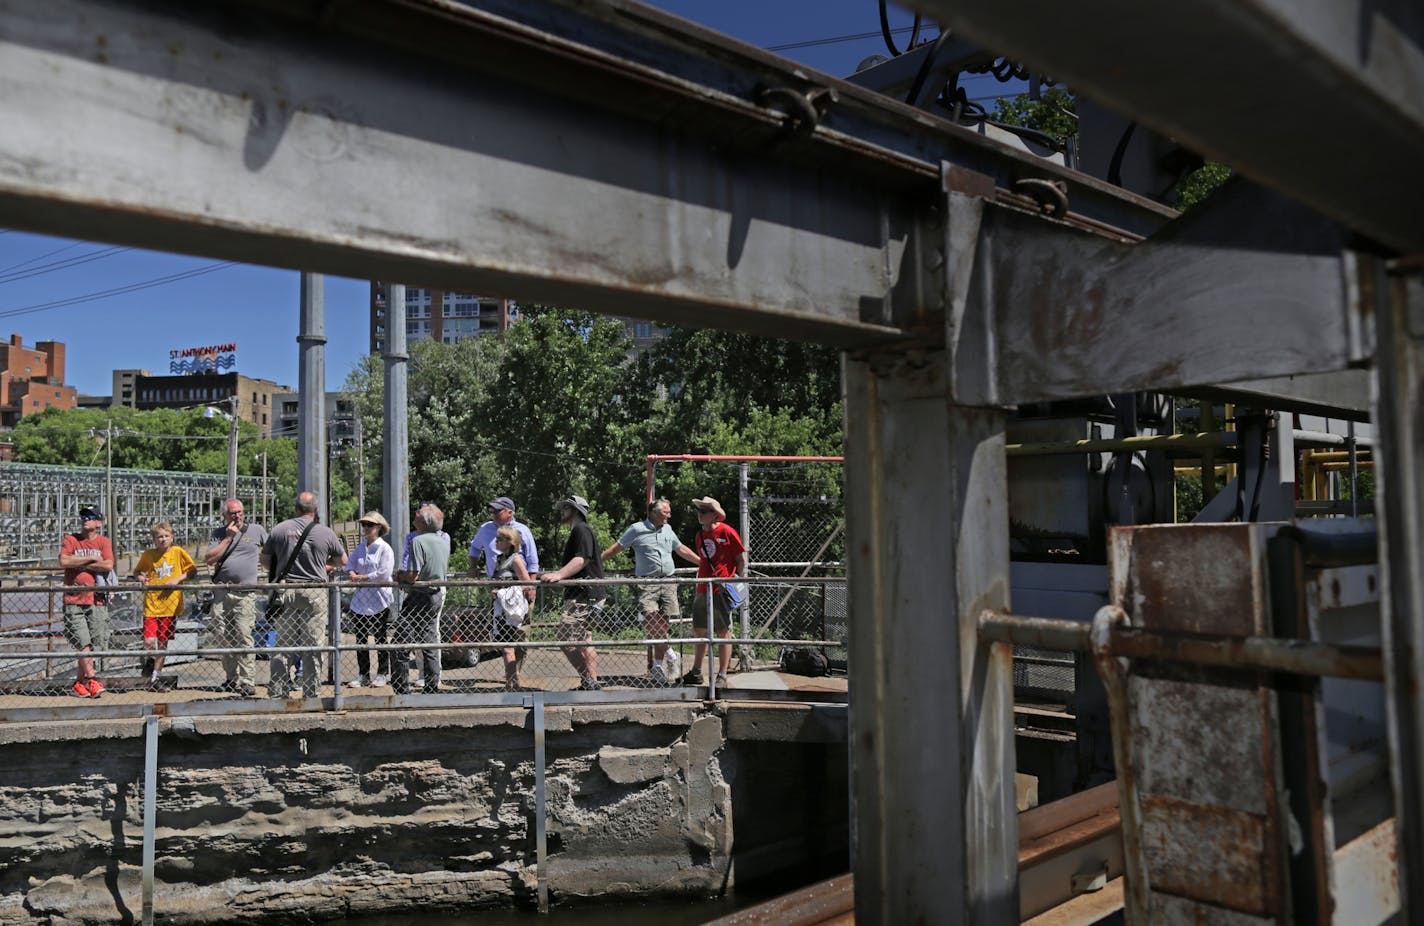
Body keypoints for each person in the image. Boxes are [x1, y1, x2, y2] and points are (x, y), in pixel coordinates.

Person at [601, 497, 699, 686]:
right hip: (648, 583)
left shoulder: (668, 529)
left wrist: (702, 562)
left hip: (669, 581)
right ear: (654, 513)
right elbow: (616, 548)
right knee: (651, 620)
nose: (669, 516)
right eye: (666, 512)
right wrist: (595, 563)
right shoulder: (637, 529)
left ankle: (657, 666)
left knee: (662, 625)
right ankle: (672, 654)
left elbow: (681, 549)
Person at [260, 492, 347, 699]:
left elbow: (264, 561)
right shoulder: (325, 532)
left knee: (283, 644)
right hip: (313, 590)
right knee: (313, 645)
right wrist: (323, 565)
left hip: (285, 590)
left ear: (296, 508)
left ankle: (278, 691)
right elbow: (342, 560)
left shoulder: (280, 529)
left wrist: (280, 567)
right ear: (315, 510)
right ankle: (311, 692)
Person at [539, 495, 605, 690]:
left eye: (566, 507)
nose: (562, 511)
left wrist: (559, 574)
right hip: (589, 594)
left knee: (565, 639)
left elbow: (582, 559)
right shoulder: (579, 531)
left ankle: (589, 680)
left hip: (585, 595)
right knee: (585, 640)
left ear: (576, 510)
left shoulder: (581, 530)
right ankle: (590, 684)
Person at [203, 498, 268, 697]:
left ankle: (247, 681)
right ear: (225, 516)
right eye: (232, 513)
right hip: (222, 592)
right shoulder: (219, 534)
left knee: (243, 636)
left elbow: (272, 550)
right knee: (223, 635)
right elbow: (209, 558)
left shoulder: (256, 530)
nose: (237, 516)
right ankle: (231, 678)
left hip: (245, 593)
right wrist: (228, 538)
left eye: (240, 512)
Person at [683, 496, 747, 689]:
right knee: (700, 630)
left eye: (704, 511)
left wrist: (735, 581)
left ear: (714, 515)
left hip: (721, 588)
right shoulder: (699, 535)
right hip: (703, 586)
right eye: (699, 511)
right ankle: (696, 671)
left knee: (722, 631)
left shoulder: (727, 532)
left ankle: (721, 674)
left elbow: (740, 559)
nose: (700, 514)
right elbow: (703, 560)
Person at [392, 504, 450, 694]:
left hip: (419, 596)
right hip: (436, 595)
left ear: (424, 521)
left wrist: (399, 576)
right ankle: (432, 686)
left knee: (400, 642)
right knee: (430, 641)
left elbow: (413, 575)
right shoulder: (442, 541)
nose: (414, 516)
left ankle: (401, 688)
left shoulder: (418, 541)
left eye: (417, 514)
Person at [59, 506, 115, 698]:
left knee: (90, 643)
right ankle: (92, 678)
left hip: (96, 599)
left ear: (98, 522)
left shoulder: (103, 541)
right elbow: (64, 562)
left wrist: (78, 560)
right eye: (83, 516)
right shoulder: (71, 539)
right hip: (74, 598)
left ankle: (78, 683)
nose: (85, 519)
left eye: (90, 517)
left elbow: (108, 564)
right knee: (82, 640)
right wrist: (91, 557)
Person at [134, 522, 197, 692]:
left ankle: (156, 676)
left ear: (171, 537)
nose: (163, 539)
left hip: (170, 606)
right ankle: (147, 662)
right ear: (154, 539)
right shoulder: (149, 555)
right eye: (159, 537)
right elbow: (137, 572)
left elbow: (192, 571)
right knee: (148, 641)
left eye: (166, 536)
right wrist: (141, 579)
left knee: (162, 643)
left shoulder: (178, 552)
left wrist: (177, 579)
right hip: (152, 604)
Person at [345, 511, 394, 688]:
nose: (365, 528)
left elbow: (384, 573)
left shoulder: (384, 548)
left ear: (379, 527)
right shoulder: (361, 547)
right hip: (361, 600)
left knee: (380, 638)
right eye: (364, 524)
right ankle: (363, 674)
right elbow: (349, 564)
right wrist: (351, 573)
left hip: (379, 599)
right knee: (361, 638)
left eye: (369, 525)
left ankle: (382, 673)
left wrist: (363, 577)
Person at [491, 525, 536, 690]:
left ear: (510, 542)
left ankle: (512, 684)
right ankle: (512, 682)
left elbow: (527, 584)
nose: (496, 541)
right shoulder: (500, 559)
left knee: (508, 647)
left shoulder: (516, 559)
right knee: (505, 647)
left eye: (500, 539)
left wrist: (504, 593)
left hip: (511, 610)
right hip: (501, 610)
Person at [468, 496, 540, 577]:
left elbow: (532, 561)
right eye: (492, 511)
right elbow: (475, 547)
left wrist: (532, 587)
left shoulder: (522, 530)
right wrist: (473, 567)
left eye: (498, 511)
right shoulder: (485, 529)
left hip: (518, 583)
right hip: (495, 583)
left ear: (510, 513)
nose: (494, 514)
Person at [401, 501, 451, 570]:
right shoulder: (411, 537)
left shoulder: (444, 536)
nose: (416, 516)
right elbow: (406, 560)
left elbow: (443, 561)